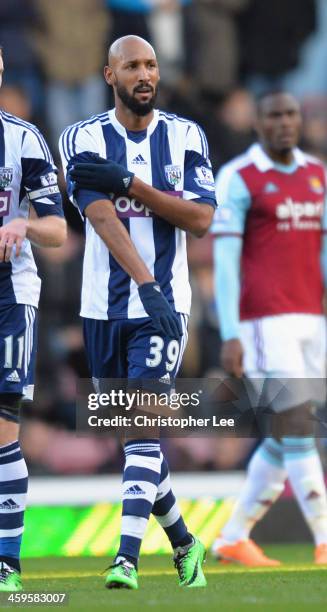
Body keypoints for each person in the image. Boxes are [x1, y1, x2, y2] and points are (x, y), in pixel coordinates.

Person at [59, 35, 216, 590]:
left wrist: (131, 183)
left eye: (151, 64)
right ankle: (185, 545)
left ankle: (125, 557)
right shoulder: (80, 137)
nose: (145, 74)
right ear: (109, 75)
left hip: (164, 306)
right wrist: (141, 279)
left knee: (144, 428)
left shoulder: (186, 135)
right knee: (134, 441)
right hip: (104, 306)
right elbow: (100, 217)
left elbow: (198, 220)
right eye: (132, 67)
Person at [211, 91, 327, 566]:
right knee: (297, 428)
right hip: (263, 321)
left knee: (287, 436)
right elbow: (223, 263)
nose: (284, 123)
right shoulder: (239, 176)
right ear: (257, 123)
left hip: (312, 320)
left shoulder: (318, 174)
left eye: (290, 114)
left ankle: (233, 538)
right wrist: (231, 330)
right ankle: (324, 540)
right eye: (273, 115)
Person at [0, 47, 66, 591]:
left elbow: (59, 229)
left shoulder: (23, 139)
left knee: (2, 431)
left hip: (9, 294)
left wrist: (23, 225)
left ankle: (8, 565)